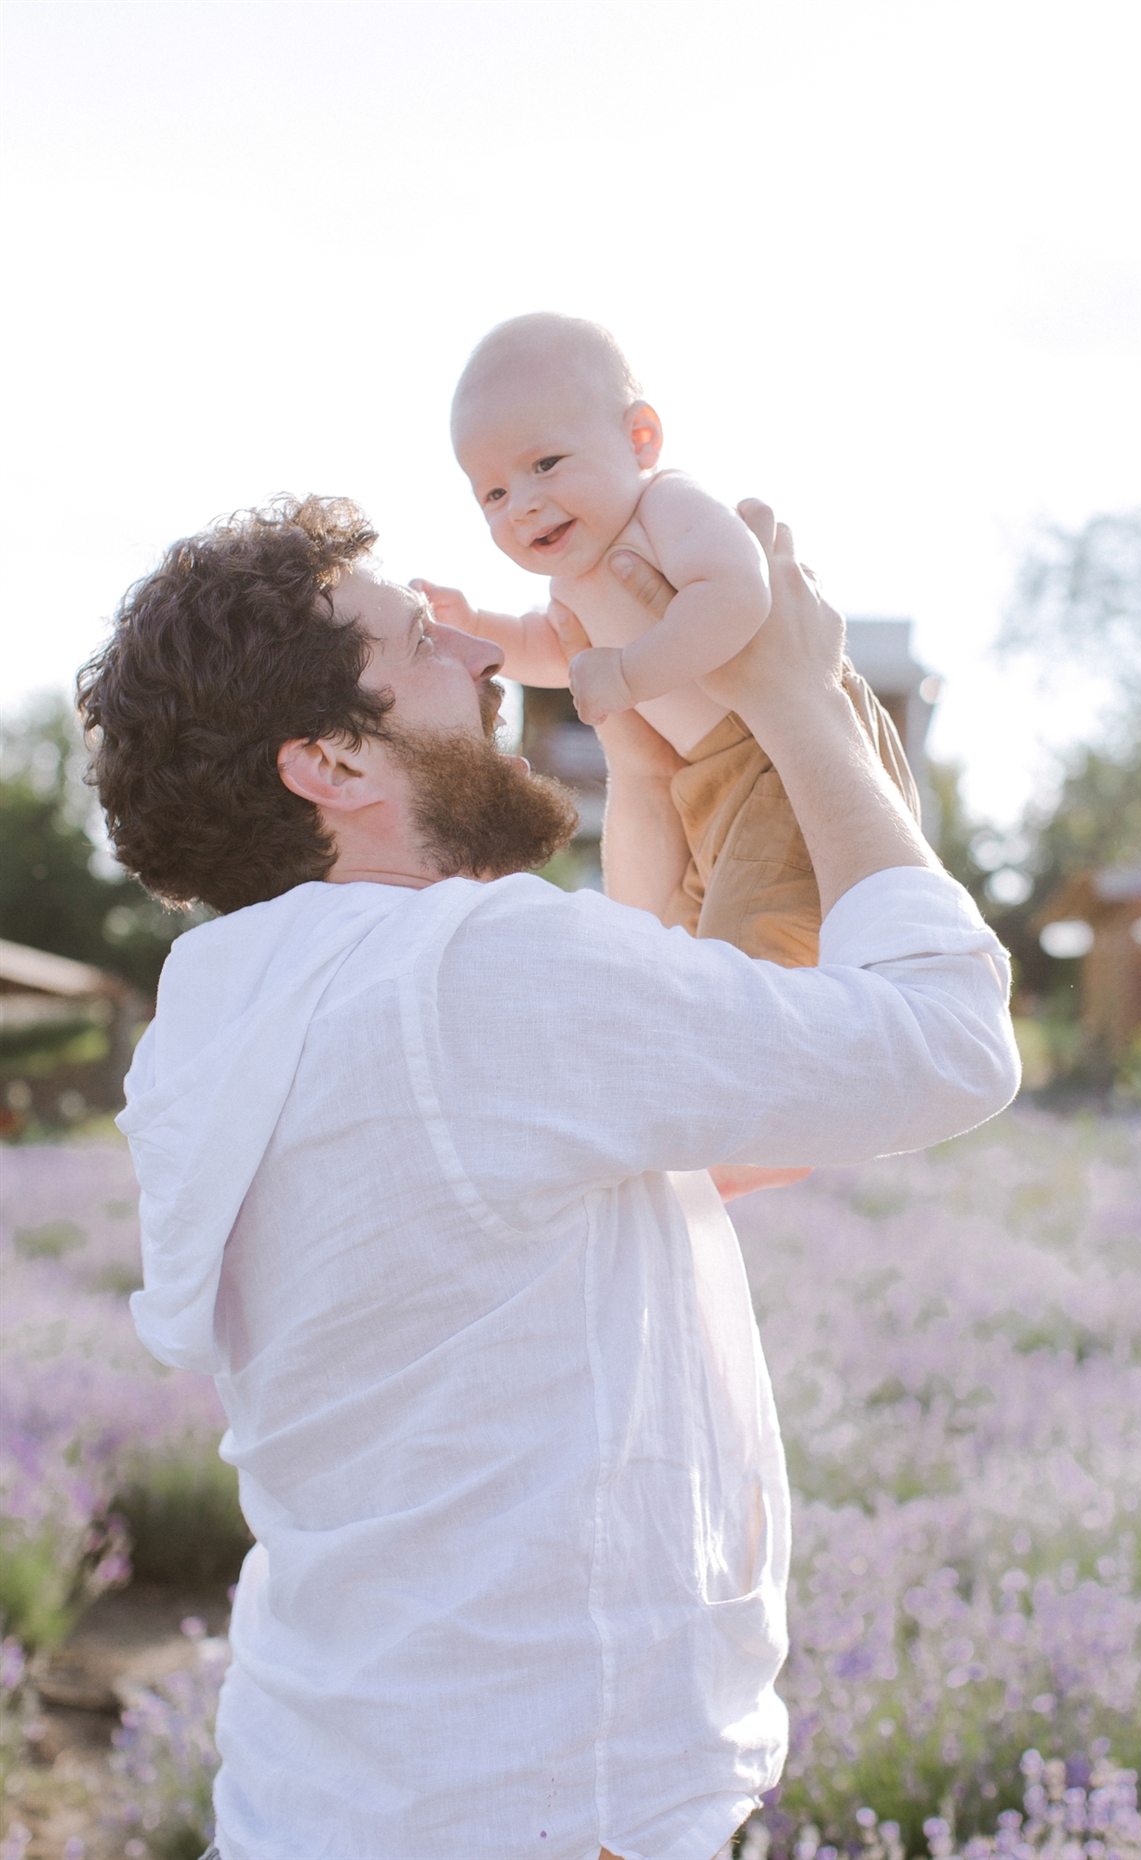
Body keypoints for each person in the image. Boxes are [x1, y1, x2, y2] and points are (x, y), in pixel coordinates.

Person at [78, 492, 1019, 1860]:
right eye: (421, 640)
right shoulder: (466, 977)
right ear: (332, 760)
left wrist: (642, 779)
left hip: (330, 1790)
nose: (475, 650)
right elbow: (948, 1041)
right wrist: (800, 697)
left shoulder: (239, 1014)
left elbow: (674, 1127)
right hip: (537, 1803)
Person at [415, 313, 919, 966]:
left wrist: (627, 674)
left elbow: (737, 592)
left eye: (546, 463)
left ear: (640, 439)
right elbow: (554, 649)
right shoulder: (574, 580)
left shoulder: (665, 506)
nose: (522, 505)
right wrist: (478, 626)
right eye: (494, 492)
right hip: (706, 786)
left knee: (746, 956)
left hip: (781, 756)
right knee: (684, 945)